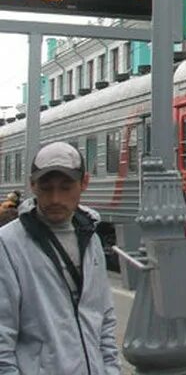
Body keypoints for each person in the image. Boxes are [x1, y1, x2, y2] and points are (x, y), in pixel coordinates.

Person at [0, 142, 121, 374]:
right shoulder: (8, 244)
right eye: (46, 188)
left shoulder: (91, 239)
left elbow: (104, 317)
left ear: (84, 183)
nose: (55, 198)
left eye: (66, 187)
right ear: (32, 185)